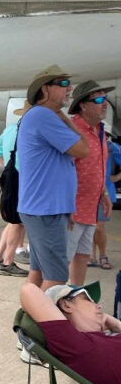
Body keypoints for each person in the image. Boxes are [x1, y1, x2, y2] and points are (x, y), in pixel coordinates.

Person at [17, 66, 89, 291]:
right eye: (64, 84)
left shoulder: (41, 116)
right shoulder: (43, 116)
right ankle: (47, 324)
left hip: (45, 209)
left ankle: (30, 322)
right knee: (56, 278)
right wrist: (66, 120)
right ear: (44, 89)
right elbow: (82, 149)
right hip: (46, 210)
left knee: (38, 273)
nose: (70, 89)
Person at [20, 282, 121, 384]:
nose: (99, 306)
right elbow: (28, 290)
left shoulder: (95, 342)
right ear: (66, 305)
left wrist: (117, 325)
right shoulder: (77, 345)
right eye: (89, 300)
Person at [66, 80, 114, 285]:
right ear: (83, 105)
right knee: (61, 263)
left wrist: (103, 193)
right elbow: (62, 171)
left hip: (91, 207)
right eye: (100, 99)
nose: (105, 104)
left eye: (106, 99)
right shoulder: (73, 130)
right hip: (72, 210)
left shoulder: (99, 130)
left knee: (83, 256)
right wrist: (65, 207)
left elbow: (98, 167)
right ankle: (49, 309)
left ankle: (74, 296)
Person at [0, 110, 28, 277]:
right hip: (22, 179)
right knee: (16, 222)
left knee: (12, 221)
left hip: (10, 177)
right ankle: (7, 262)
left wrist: (7, 166)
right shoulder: (28, 129)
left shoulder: (10, 128)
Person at [90, 133, 121, 269]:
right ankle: (91, 256)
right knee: (89, 227)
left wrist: (116, 177)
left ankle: (102, 255)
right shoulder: (86, 144)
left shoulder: (112, 147)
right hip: (87, 192)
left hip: (106, 192)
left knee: (99, 227)